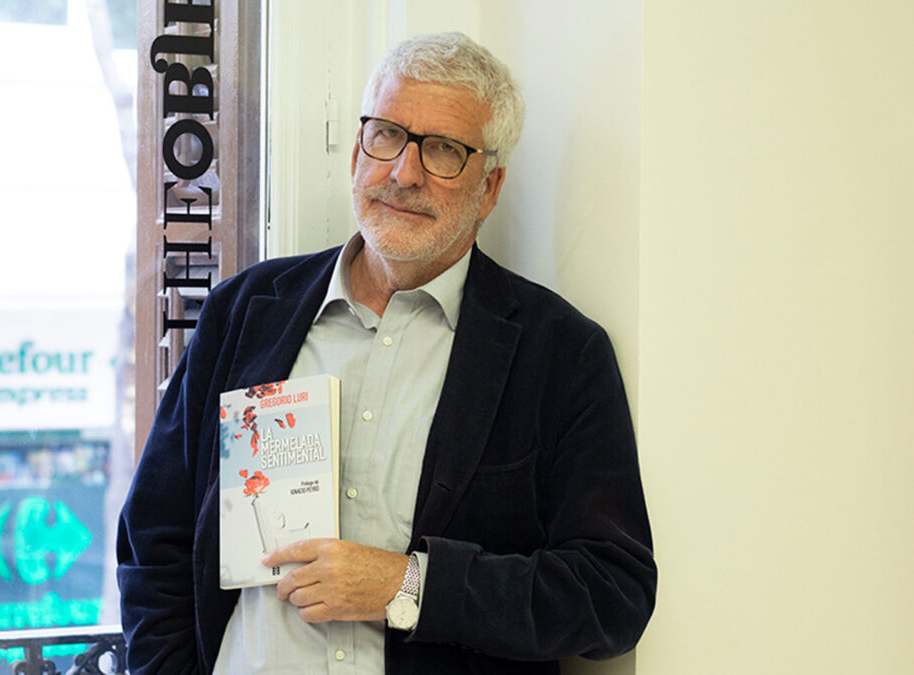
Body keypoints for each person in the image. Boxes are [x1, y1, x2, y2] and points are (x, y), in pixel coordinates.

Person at [117, 31, 655, 674]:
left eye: (444, 150)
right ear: (356, 152)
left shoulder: (560, 354)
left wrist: (408, 586)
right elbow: (155, 541)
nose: (404, 172)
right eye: (387, 135)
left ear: (489, 188)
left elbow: (612, 594)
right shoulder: (245, 312)